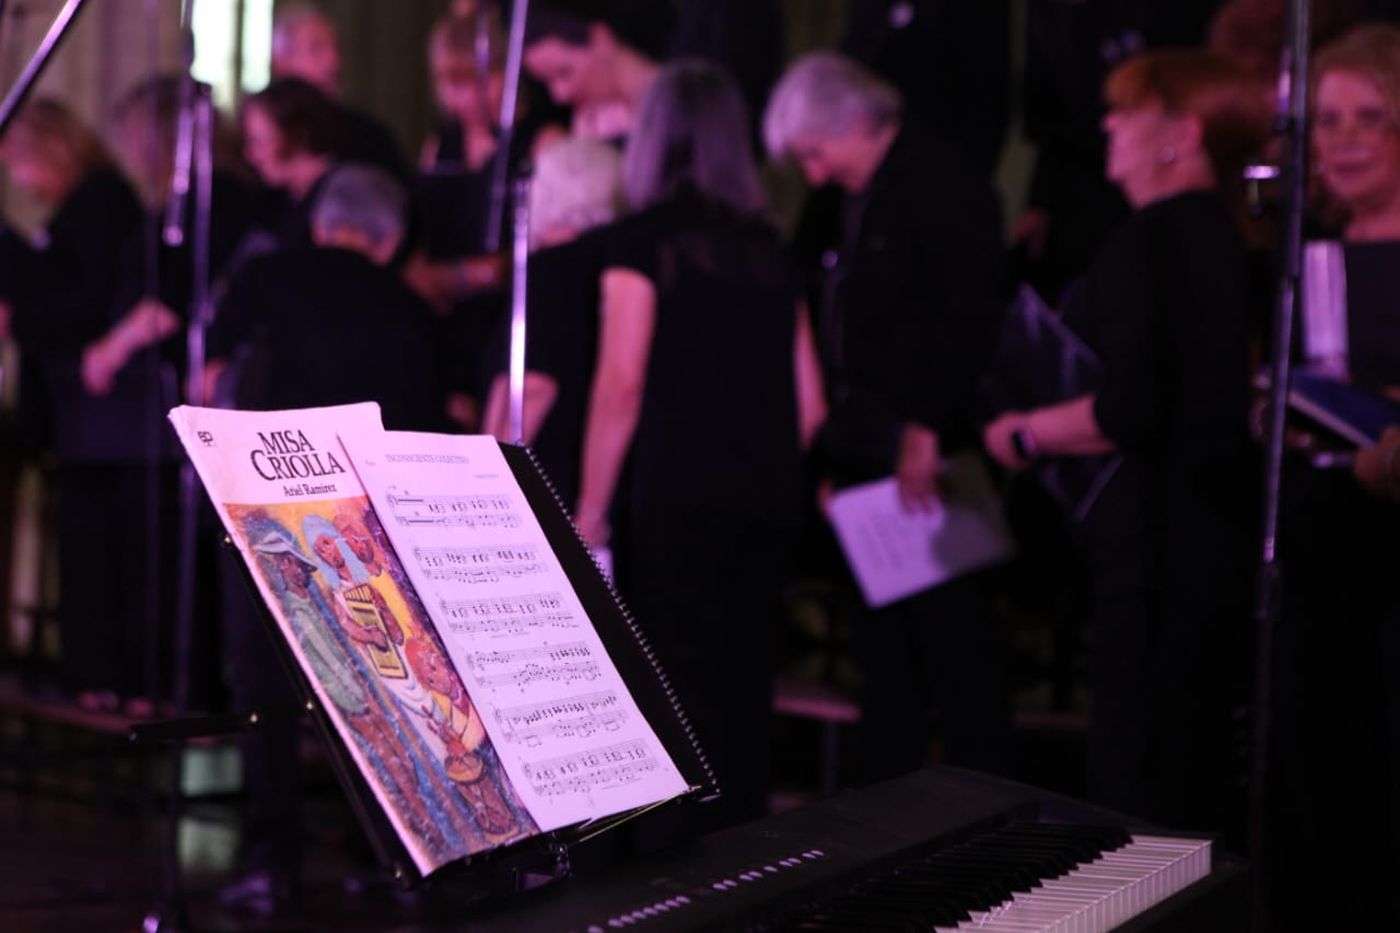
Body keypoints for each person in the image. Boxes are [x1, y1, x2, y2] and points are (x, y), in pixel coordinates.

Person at [983, 49, 1269, 838]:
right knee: (1186, 769)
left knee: (1142, 780)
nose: (1107, 124)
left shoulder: (1159, 236)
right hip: (1201, 538)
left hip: (1153, 543)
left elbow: (1131, 406)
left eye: (1126, 110)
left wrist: (1024, 431)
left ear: (1180, 133)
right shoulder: (1219, 235)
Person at [574, 60, 826, 832]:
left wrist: (587, 511)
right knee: (742, 692)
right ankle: (744, 875)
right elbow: (811, 405)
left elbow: (621, 382)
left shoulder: (638, 242)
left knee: (666, 699)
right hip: (763, 501)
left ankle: (670, 884)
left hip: (672, 500)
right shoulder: (770, 248)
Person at [766, 52, 1012, 784]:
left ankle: (985, 805)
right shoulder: (835, 201)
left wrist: (927, 428)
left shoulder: (943, 183)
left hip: (931, 446)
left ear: (859, 123)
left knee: (956, 646)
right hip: (860, 444)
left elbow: (971, 319)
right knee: (882, 655)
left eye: (817, 152)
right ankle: (891, 815)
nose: (813, 172)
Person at [1263, 23, 1400, 927]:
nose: (1343, 139)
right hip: (1320, 564)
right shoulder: (1309, 251)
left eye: (1370, 118)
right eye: (1329, 119)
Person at [0, 98, 152, 708]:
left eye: (19, 163)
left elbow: (84, 302)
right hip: (83, 411)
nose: (18, 179)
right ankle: (96, 677)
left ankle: (109, 680)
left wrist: (20, 304)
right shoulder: (86, 206)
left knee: (102, 549)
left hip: (108, 410)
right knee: (88, 545)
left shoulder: (101, 202)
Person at [480, 137, 623, 507]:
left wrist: (484, 486)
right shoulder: (618, 263)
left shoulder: (549, 270)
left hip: (545, 478)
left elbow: (530, 387)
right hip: (605, 472)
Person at [270, 3, 407, 179]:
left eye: (336, 48)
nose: (334, 62)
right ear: (283, 63)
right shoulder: (261, 141)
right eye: (317, 49)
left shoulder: (370, 139)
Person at [240, 76, 353, 251]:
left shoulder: (347, 197)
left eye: (259, 142)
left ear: (297, 136)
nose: (250, 155)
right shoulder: (275, 202)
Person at [523, 0, 661, 142]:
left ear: (602, 40)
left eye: (564, 72)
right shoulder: (600, 129)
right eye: (547, 82)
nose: (560, 94)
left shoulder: (676, 105)